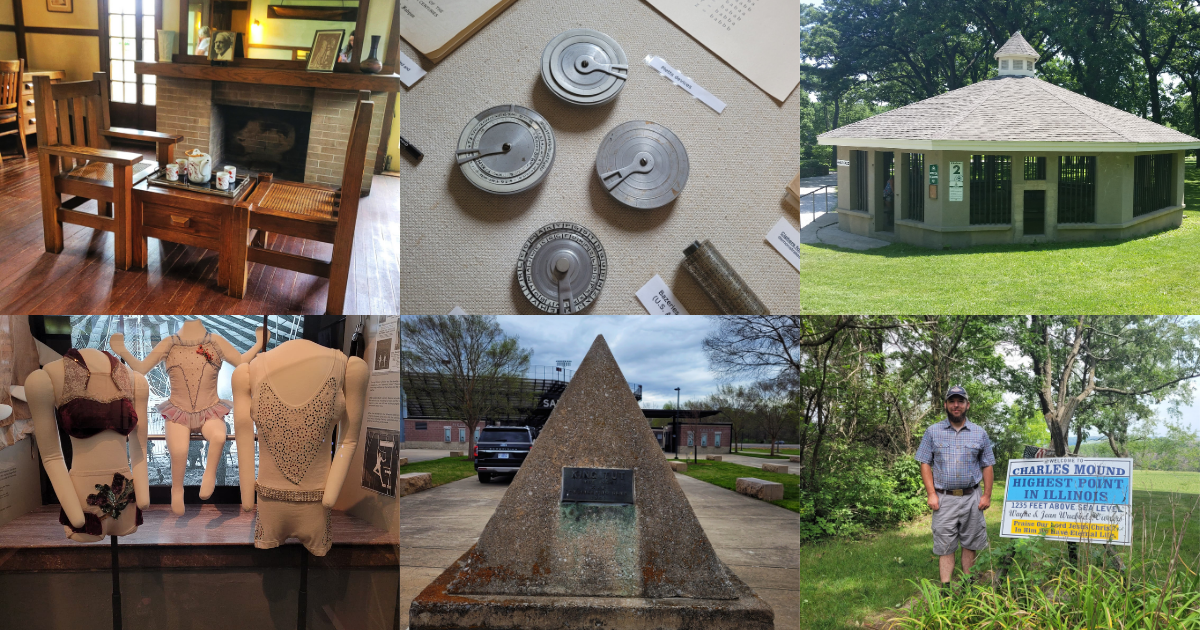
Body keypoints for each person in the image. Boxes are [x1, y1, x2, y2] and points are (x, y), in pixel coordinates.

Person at [914, 385, 995, 594]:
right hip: (944, 498)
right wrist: (931, 493)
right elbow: (924, 462)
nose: (956, 405)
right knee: (945, 544)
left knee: (971, 542)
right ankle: (946, 588)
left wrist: (986, 494)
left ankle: (969, 586)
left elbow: (987, 464)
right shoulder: (933, 432)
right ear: (946, 405)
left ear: (967, 405)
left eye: (960, 401)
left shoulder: (979, 433)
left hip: (972, 497)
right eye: (952, 401)